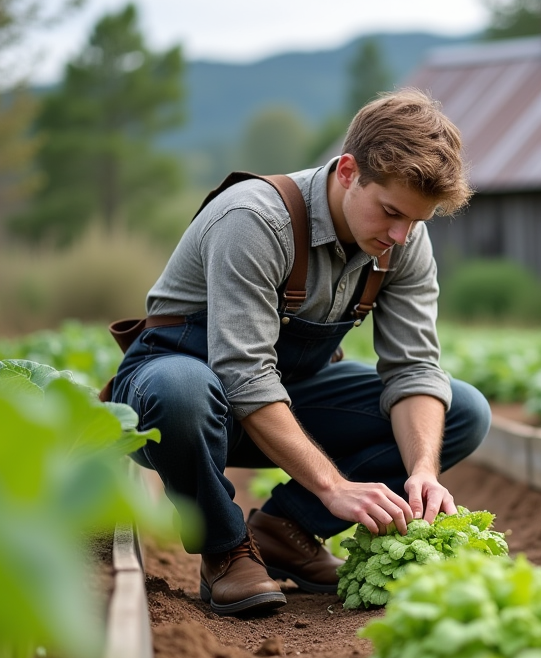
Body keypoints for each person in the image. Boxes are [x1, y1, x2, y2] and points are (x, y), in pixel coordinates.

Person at [109, 89, 491, 616]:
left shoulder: (401, 244)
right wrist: (334, 485)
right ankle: (225, 550)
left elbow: (414, 368)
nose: (401, 235)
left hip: (284, 394)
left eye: (417, 222)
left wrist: (422, 469)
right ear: (350, 171)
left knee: (463, 410)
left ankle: (287, 530)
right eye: (391, 213)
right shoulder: (255, 220)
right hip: (178, 400)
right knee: (183, 391)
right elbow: (242, 373)